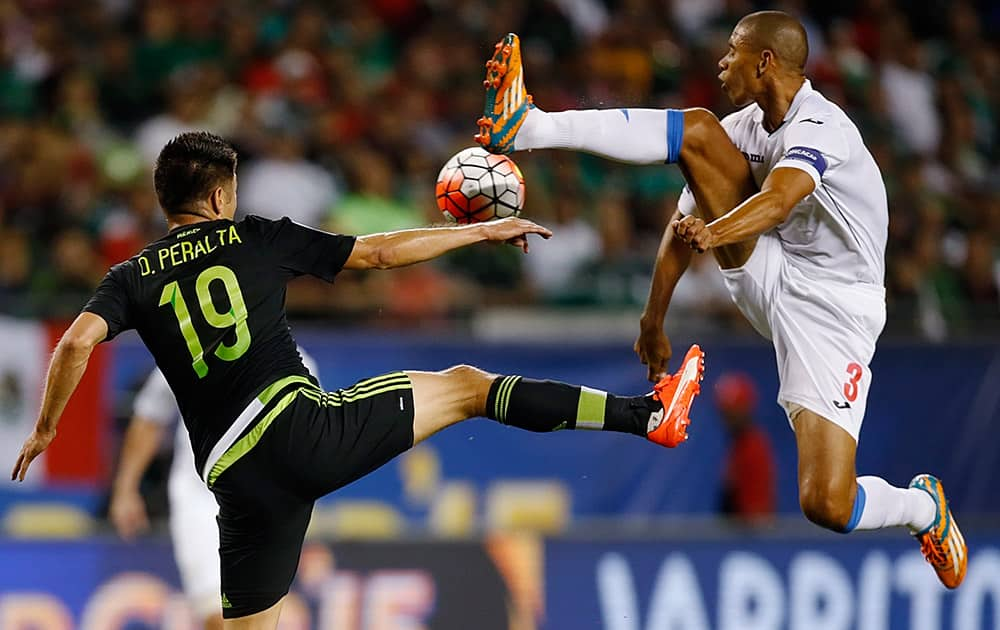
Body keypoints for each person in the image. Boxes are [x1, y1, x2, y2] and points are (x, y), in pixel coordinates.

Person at [11, 131, 705, 628]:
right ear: (221, 194)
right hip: (299, 430)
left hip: (235, 484)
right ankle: (645, 415)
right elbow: (376, 253)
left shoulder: (129, 277)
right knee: (467, 385)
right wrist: (475, 234)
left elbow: (74, 342)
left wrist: (45, 428)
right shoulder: (252, 235)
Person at [473, 11, 965, 588]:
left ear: (766, 62)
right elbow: (682, 227)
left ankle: (922, 509)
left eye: (733, 51)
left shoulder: (823, 127)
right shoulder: (742, 127)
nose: (722, 61)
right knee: (699, 132)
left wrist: (719, 231)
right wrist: (653, 317)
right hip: (771, 264)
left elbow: (779, 200)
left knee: (826, 503)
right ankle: (530, 128)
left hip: (837, 310)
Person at [109, 348, 318, 630]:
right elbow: (150, 415)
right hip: (201, 499)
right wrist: (125, 489)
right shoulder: (189, 350)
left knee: (258, 620)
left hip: (264, 507)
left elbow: (306, 445)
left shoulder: (298, 363)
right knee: (218, 616)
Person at [714, 372, 776, 522]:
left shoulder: (754, 446)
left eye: (734, 411)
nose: (728, 418)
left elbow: (757, 513)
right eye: (725, 411)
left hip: (750, 536)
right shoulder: (737, 444)